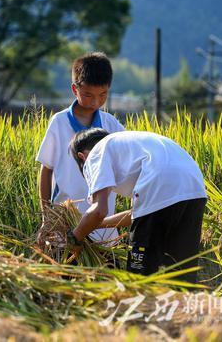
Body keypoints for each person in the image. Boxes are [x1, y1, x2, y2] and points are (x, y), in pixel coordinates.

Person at [67, 128, 208, 282]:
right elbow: (137, 214)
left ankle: (141, 304)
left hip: (162, 185)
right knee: (181, 274)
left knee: (140, 277)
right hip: (195, 189)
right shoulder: (130, 145)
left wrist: (75, 238)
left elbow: (98, 210)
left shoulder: (96, 153)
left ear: (82, 157)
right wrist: (96, 225)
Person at [36, 52, 124, 247]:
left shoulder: (112, 126)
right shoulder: (59, 123)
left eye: (103, 95)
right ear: (75, 89)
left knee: (104, 276)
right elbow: (46, 169)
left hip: (103, 227)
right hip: (64, 224)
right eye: (88, 95)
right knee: (64, 273)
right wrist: (46, 218)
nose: (95, 102)